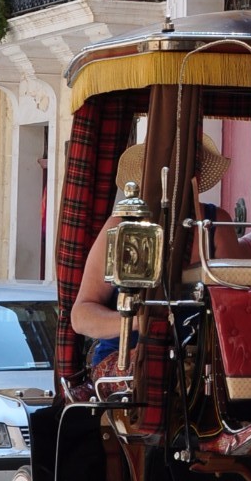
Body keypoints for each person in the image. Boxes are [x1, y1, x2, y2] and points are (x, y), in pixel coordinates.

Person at [71, 135, 234, 372]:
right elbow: (81, 315)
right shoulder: (122, 223)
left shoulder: (216, 223)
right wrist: (140, 322)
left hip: (201, 362)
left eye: (183, 167)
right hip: (125, 357)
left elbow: (234, 302)